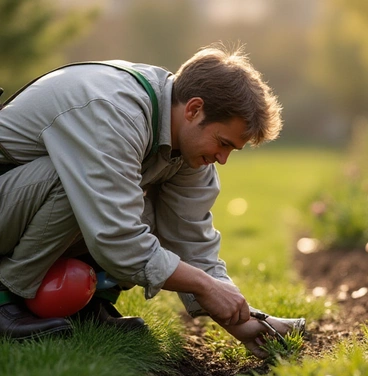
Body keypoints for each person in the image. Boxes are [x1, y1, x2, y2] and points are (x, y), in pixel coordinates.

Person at [0, 43, 302, 358]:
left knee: (135, 204)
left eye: (232, 150)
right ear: (194, 109)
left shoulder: (187, 144)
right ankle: (5, 298)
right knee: (82, 186)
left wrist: (243, 318)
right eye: (223, 143)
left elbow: (190, 238)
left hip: (16, 209)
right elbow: (117, 237)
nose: (222, 159)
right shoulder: (115, 112)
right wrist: (204, 286)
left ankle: (88, 305)